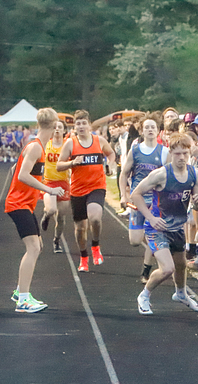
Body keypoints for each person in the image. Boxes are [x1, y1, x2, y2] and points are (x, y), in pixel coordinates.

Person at [133, 133, 198, 315]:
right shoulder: (161, 174)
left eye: (185, 153)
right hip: (157, 227)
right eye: (177, 153)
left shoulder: (194, 174)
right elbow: (136, 194)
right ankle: (144, 295)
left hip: (177, 227)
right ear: (170, 153)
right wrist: (150, 218)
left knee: (181, 265)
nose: (181, 158)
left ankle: (181, 293)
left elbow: (197, 202)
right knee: (167, 269)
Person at [4, 108, 64, 313]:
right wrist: (48, 189)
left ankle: (20, 291)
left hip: (25, 203)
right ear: (54, 126)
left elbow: (16, 170)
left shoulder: (38, 147)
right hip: (18, 204)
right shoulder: (36, 147)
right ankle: (23, 300)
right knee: (33, 248)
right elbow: (22, 174)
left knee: (38, 245)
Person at [57, 110, 116, 272]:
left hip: (97, 186)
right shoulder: (70, 144)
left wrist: (110, 165)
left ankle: (95, 246)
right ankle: (83, 257)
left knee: (95, 218)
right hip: (77, 190)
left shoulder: (99, 140)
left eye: (84, 123)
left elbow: (111, 154)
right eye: (78, 124)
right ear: (74, 127)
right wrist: (72, 163)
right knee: (80, 228)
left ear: (89, 125)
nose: (81, 126)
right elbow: (59, 165)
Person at [119, 118, 169, 282]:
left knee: (151, 234)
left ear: (158, 130)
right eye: (146, 127)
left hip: (155, 201)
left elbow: (169, 176)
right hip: (137, 200)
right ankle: (157, 247)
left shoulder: (164, 152)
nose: (150, 130)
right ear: (142, 131)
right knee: (135, 241)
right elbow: (124, 174)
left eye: (153, 127)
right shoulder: (135, 150)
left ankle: (146, 270)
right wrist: (123, 195)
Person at [40, 120, 72, 254]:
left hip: (63, 183)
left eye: (60, 127)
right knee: (52, 209)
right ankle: (46, 215)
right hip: (49, 182)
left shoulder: (67, 145)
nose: (57, 129)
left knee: (61, 217)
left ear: (64, 130)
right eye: (55, 127)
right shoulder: (46, 144)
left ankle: (56, 240)